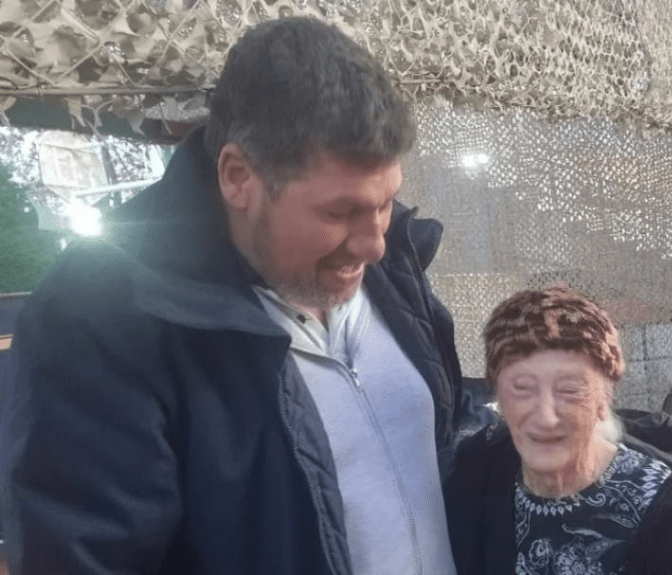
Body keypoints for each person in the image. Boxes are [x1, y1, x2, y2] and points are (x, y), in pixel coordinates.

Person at [0, 17, 478, 575]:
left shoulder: (392, 262)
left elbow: (445, 439)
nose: (373, 243)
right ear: (238, 177)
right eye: (339, 211)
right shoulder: (100, 318)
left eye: (386, 201)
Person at [445, 287, 672, 575]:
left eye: (569, 390)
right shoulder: (478, 469)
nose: (545, 417)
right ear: (498, 394)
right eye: (522, 388)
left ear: (605, 398)